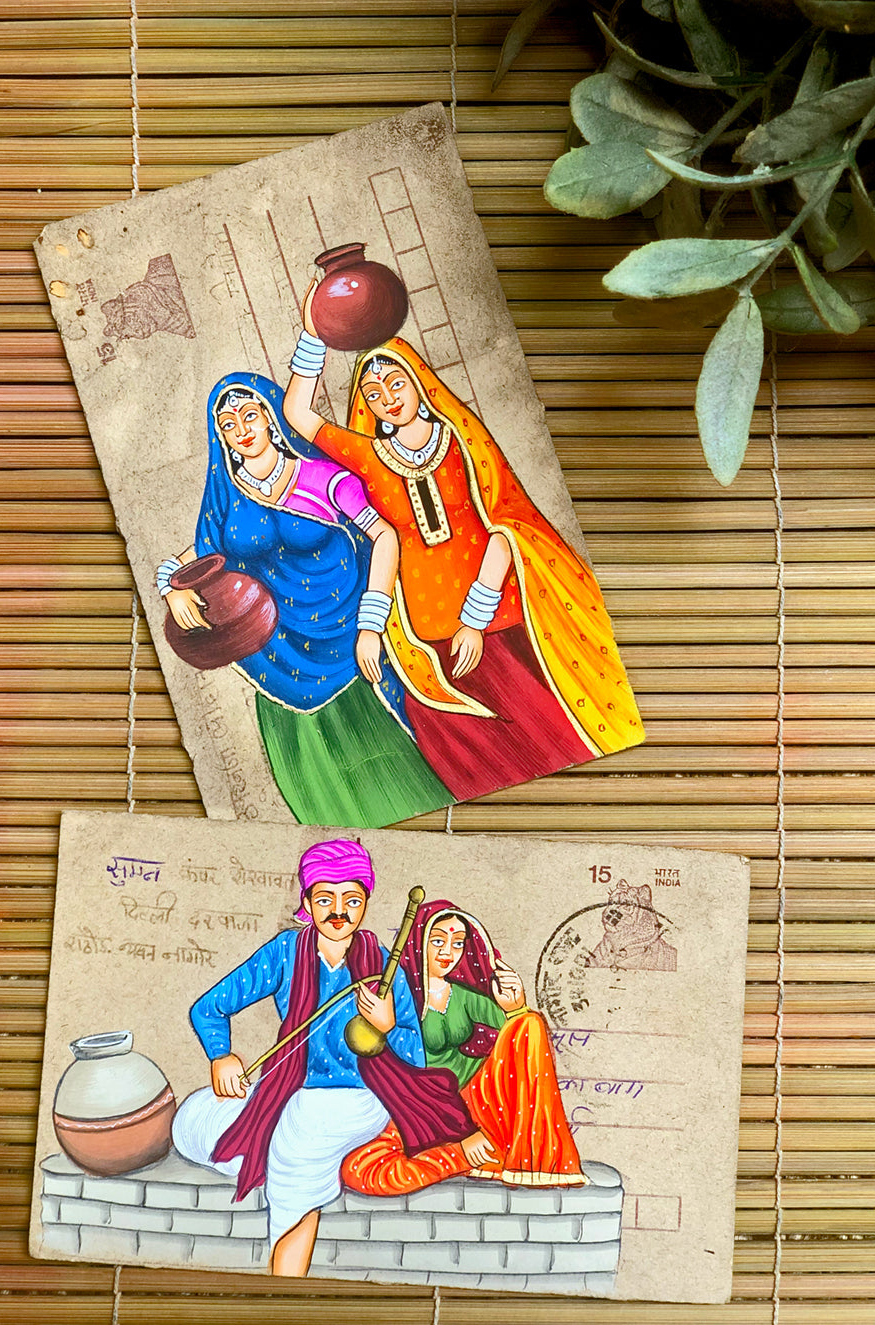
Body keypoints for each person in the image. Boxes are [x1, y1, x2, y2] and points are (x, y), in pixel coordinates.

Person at [282, 308, 644, 802]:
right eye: (374, 393)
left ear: (419, 383)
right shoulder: (367, 456)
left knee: (552, 744)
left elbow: (505, 526)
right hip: (427, 641)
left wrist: (475, 619)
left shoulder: (463, 442)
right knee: (479, 769)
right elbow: (299, 415)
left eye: (396, 384)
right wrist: (313, 331)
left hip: (499, 624)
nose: (388, 398)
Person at [156, 372, 450, 827]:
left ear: (271, 418)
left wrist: (372, 627)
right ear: (221, 438)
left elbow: (384, 536)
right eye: (229, 424)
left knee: (395, 776)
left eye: (250, 415)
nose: (242, 429)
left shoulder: (322, 478)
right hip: (275, 657)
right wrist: (170, 588)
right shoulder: (227, 497)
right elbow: (200, 554)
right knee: (316, 791)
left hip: (350, 643)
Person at [172, 841, 475, 1276]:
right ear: (308, 901)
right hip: (286, 1087)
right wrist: (222, 1056)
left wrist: (389, 1025)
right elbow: (208, 1008)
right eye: (325, 899)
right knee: (194, 1120)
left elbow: (415, 1057)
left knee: (297, 1151)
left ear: (365, 903)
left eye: (351, 900)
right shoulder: (286, 952)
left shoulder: (383, 965)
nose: (338, 912)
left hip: (358, 1095)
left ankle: (285, 1282)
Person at [341, 897, 586, 1194]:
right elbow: (387, 1061)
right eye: (438, 941)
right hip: (423, 1104)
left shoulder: (462, 995)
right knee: (364, 1170)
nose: (448, 952)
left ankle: (534, 1160)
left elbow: (510, 1031)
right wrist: (387, 1027)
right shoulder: (400, 997)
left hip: (476, 1096)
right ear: (418, 943)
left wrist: (516, 1007)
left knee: (529, 1023)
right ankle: (468, 1154)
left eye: (457, 943)